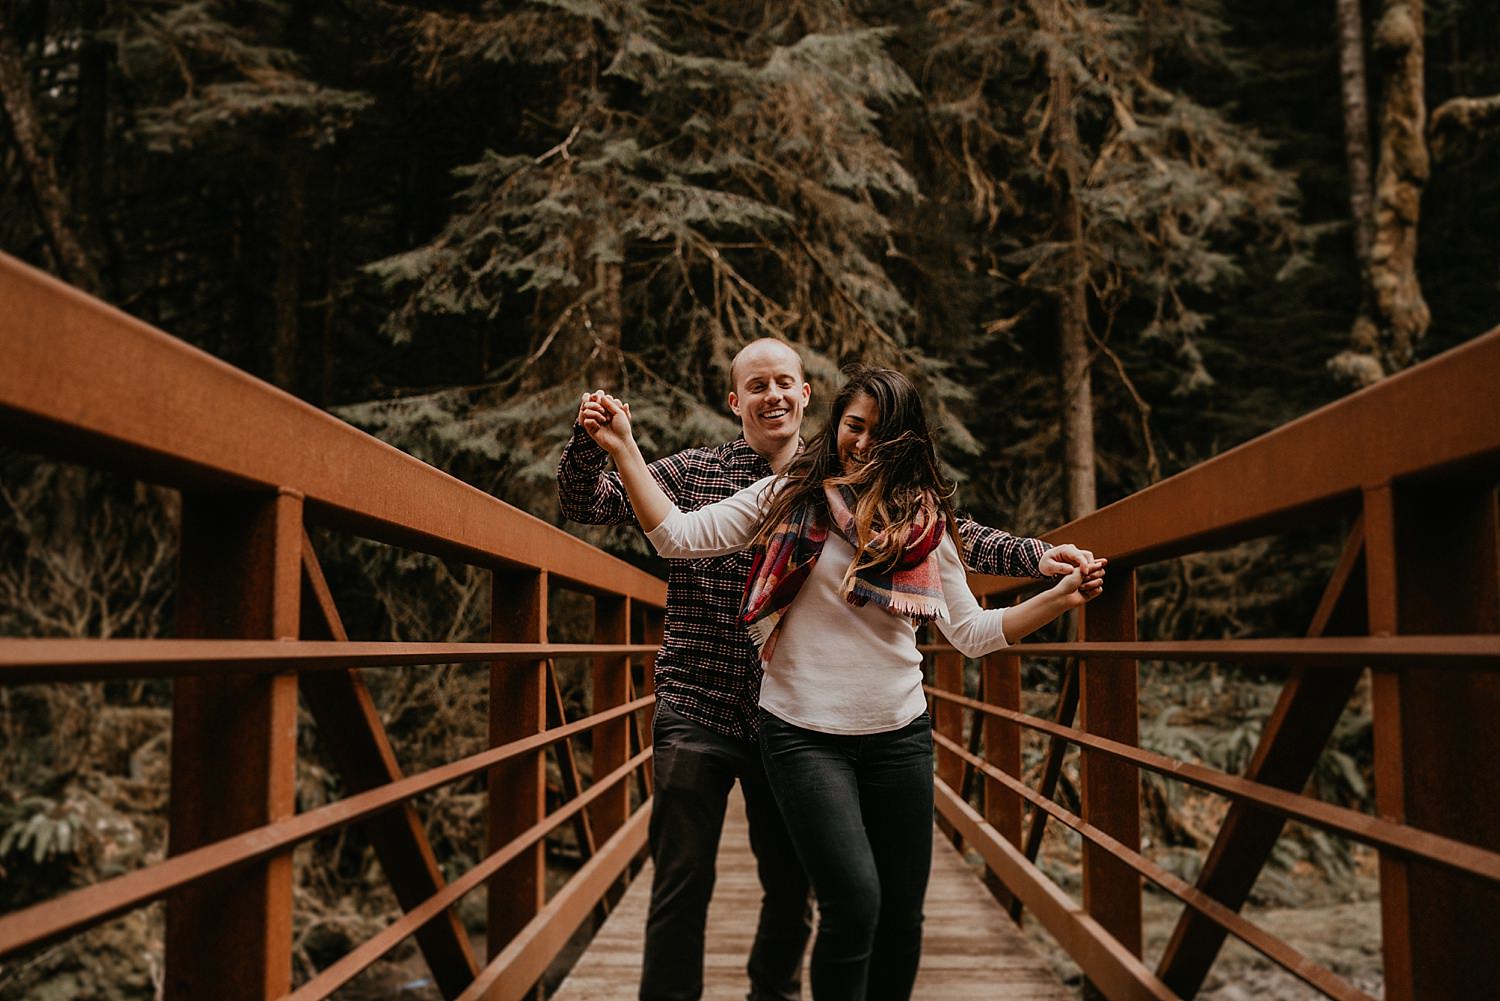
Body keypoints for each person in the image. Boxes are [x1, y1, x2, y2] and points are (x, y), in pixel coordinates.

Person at [556, 339, 1098, 1001]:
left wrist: (1042, 566)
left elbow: (961, 578)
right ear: (739, 401)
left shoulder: (903, 503)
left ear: (807, 394)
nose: (774, 395)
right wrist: (614, 445)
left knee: (829, 897)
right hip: (735, 709)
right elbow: (644, 522)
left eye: (785, 381)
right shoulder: (758, 483)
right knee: (723, 883)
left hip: (849, 725)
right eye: (757, 385)